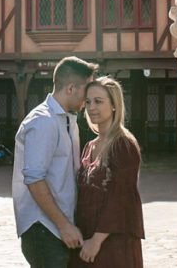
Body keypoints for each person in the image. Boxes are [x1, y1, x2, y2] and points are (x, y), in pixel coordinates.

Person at [13, 56, 98, 268]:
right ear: (70, 88)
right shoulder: (43, 121)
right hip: (44, 230)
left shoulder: (69, 120)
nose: (86, 101)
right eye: (85, 93)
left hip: (59, 228)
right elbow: (34, 179)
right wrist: (64, 226)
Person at [71, 76, 144, 268]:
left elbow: (122, 198)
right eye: (87, 102)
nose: (91, 107)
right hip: (86, 237)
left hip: (114, 242)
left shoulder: (123, 144)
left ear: (114, 105)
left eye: (98, 101)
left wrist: (96, 241)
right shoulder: (89, 146)